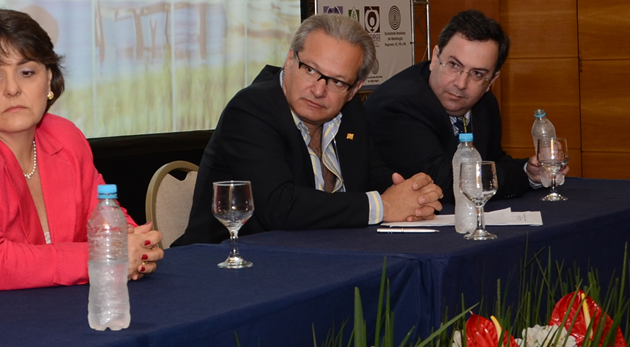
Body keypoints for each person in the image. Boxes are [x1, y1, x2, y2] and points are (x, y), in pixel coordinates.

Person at [0, 9, 164, 291]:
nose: (12, 89)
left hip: (68, 307)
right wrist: (105, 256)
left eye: (26, 73)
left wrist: (137, 243)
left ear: (49, 79)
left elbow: (105, 217)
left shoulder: (64, 137)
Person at [174, 14, 444, 245]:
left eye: (338, 82)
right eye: (311, 70)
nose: (318, 90)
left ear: (354, 89)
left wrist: (412, 194)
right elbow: (279, 206)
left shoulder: (349, 111)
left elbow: (371, 174)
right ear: (290, 59)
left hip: (318, 253)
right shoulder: (250, 110)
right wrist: (382, 207)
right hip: (227, 261)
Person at [365, 9, 536, 201]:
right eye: (454, 65)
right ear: (435, 57)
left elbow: (492, 161)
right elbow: (446, 182)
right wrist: (522, 176)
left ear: (491, 81)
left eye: (477, 74)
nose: (461, 84)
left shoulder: (485, 103)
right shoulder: (398, 104)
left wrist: (529, 169)